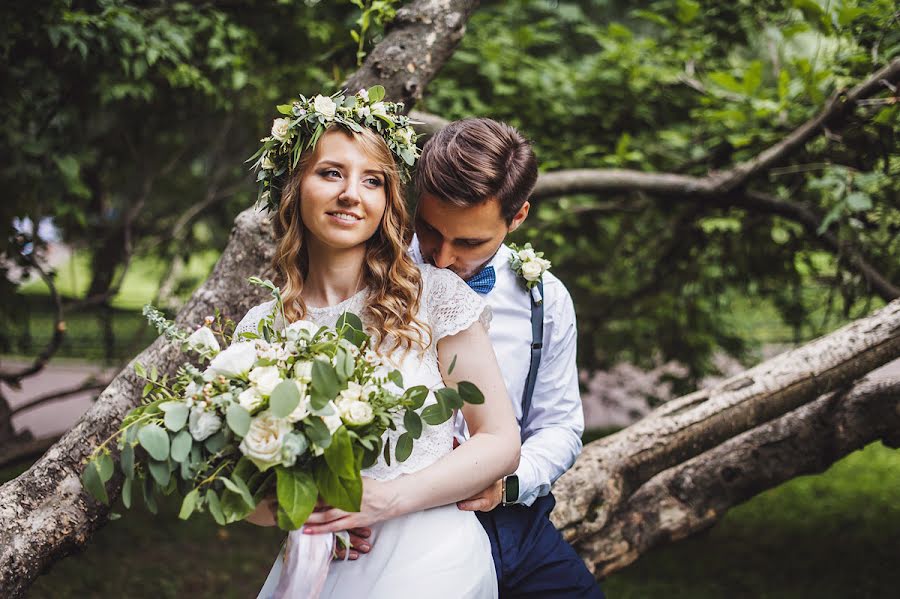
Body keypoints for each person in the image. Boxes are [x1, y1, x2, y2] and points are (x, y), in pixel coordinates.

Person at [236, 91, 521, 598]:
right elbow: (244, 493)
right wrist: (309, 507)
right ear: (294, 185)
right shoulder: (260, 330)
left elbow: (499, 440)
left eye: (372, 180)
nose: (351, 193)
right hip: (319, 565)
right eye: (330, 173)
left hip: (432, 564)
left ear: (388, 202)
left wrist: (388, 499)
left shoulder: (433, 299)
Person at [410, 118, 604, 598]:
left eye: (469, 243)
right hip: (410, 523)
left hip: (515, 524)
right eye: (431, 232)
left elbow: (559, 426)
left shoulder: (545, 300)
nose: (441, 259)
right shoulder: (374, 277)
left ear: (516, 218)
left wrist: (507, 484)